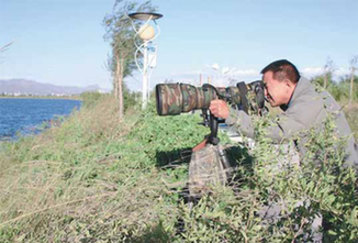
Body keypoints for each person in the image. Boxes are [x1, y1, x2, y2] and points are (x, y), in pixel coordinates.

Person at [209, 59, 358, 169]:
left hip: (340, 178)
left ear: (287, 84)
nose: (265, 94)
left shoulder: (309, 100)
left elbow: (279, 131)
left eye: (267, 87)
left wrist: (230, 115)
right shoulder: (307, 94)